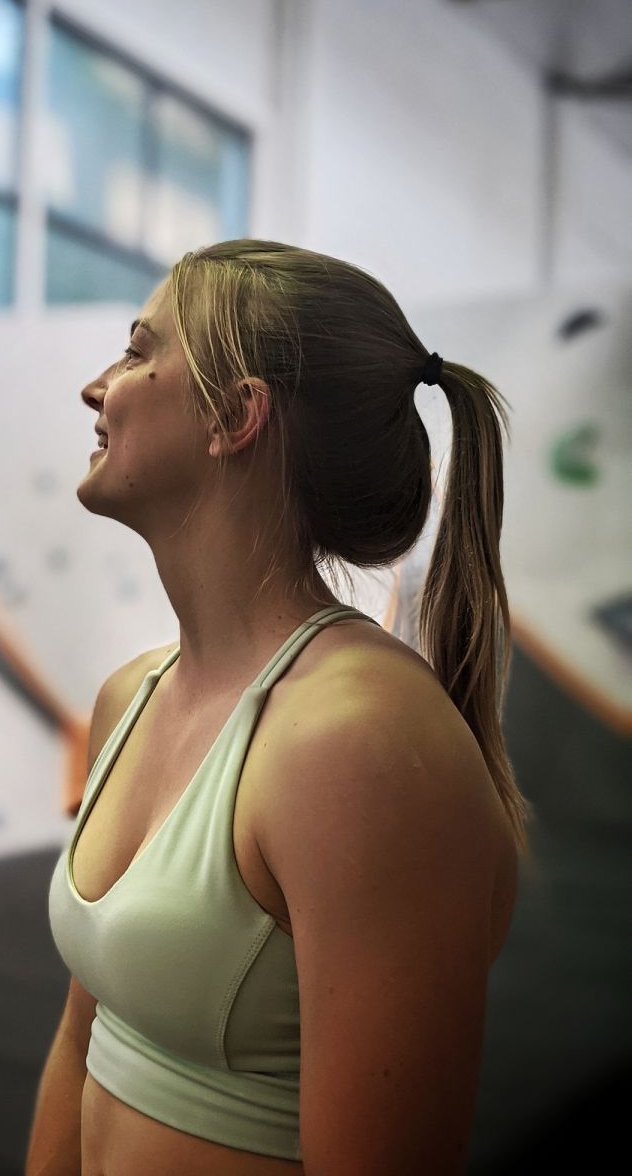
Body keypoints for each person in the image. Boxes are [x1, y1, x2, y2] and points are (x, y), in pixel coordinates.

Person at [27, 239, 527, 1176]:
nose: (98, 387)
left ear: (236, 416)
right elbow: (80, 1039)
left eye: (138, 353)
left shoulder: (359, 746)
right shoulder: (130, 697)